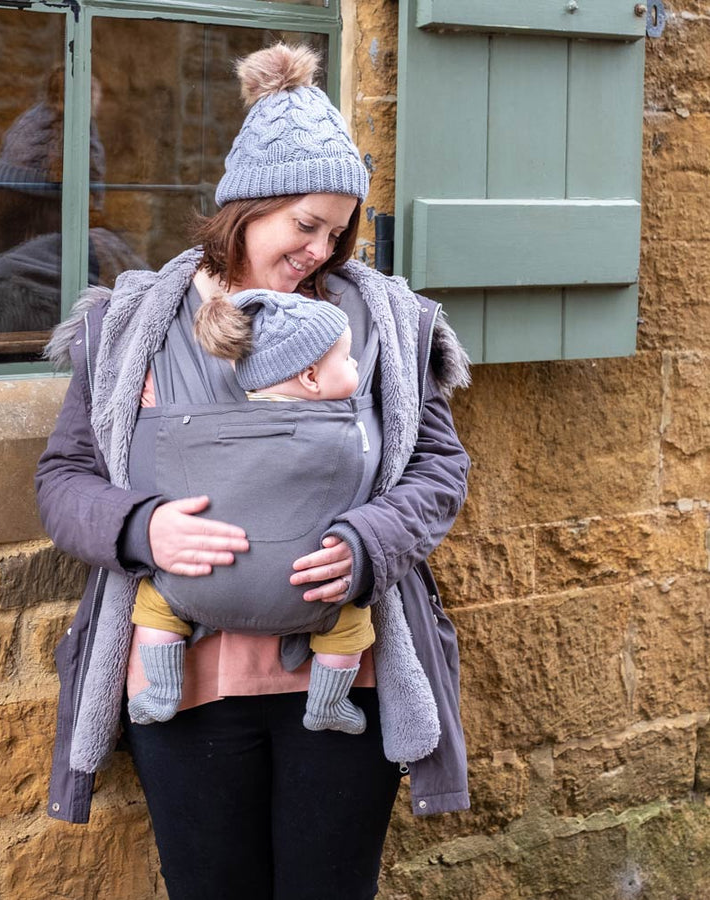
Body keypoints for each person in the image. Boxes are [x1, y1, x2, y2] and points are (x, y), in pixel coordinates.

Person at [36, 42, 472, 899]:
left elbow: (438, 470)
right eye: (304, 224)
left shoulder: (380, 324)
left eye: (339, 229)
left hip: (346, 677)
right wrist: (140, 527)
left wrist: (369, 540)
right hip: (189, 680)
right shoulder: (136, 327)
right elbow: (64, 478)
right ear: (245, 207)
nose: (323, 248)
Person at [128, 287, 374, 736]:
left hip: (199, 584)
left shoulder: (209, 424)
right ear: (312, 378)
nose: (356, 365)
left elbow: (156, 469)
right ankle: (328, 704)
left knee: (155, 602)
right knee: (352, 619)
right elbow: (366, 485)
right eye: (347, 358)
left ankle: (162, 688)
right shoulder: (341, 431)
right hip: (309, 589)